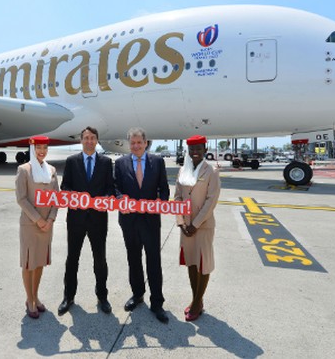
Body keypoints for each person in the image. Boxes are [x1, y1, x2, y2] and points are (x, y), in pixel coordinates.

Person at [114, 127, 170, 323]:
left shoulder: (158, 161)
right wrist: (120, 198)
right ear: (129, 144)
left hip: (150, 220)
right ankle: (137, 295)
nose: (136, 146)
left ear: (146, 143)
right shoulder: (120, 163)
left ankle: (157, 302)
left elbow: (164, 188)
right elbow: (115, 187)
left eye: (139, 142)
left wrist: (160, 201)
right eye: (133, 143)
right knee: (133, 259)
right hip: (128, 220)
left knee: (154, 260)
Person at [58, 126, 115, 315]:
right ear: (81, 140)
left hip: (98, 219)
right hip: (76, 219)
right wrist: (73, 196)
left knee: (100, 259)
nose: (89, 141)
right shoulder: (71, 161)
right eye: (86, 138)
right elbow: (65, 186)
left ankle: (102, 296)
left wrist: (106, 198)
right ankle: (68, 296)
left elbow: (110, 188)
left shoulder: (106, 162)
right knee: (72, 259)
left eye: (92, 138)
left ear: (97, 141)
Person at [174, 135, 221, 321]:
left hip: (203, 226)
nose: (195, 152)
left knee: (203, 264)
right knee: (192, 262)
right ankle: (196, 300)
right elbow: (177, 197)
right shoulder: (183, 170)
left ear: (205, 150)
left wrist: (195, 224)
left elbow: (211, 201)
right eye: (192, 149)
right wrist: (181, 222)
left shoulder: (211, 171)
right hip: (186, 226)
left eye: (199, 149)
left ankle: (196, 302)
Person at [15, 136, 59, 319]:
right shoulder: (24, 170)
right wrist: (38, 220)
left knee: (40, 262)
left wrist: (50, 219)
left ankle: (36, 296)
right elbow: (21, 199)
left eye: (44, 148)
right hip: (30, 225)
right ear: (32, 149)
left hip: (47, 226)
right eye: (38, 148)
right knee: (29, 263)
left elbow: (56, 198)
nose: (42, 151)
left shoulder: (51, 170)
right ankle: (30, 299)